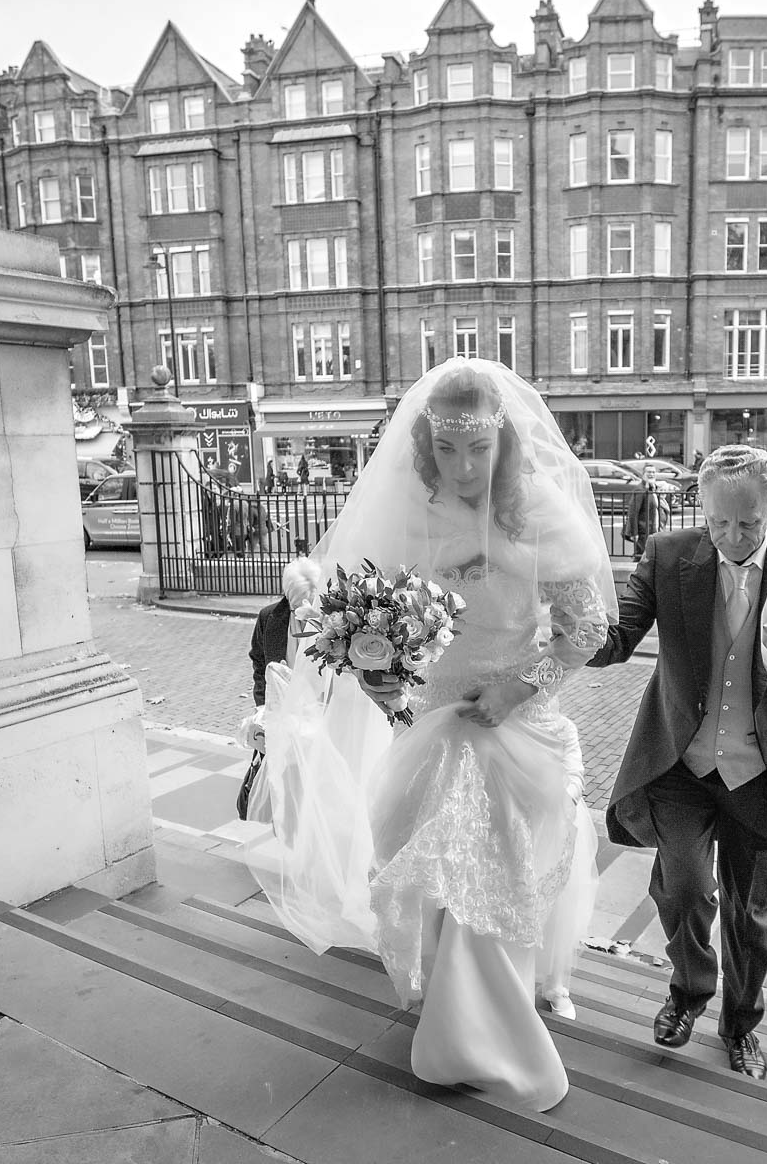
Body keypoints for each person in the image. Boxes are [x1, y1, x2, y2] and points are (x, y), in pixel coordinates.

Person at [248, 359, 615, 1111]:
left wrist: (519, 687)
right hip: (429, 725)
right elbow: (374, 630)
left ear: (504, 444)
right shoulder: (410, 514)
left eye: (478, 448)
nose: (464, 466)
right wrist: (382, 682)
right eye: (448, 450)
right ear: (426, 447)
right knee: (444, 882)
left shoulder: (538, 512)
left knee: (496, 879)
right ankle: (462, 1012)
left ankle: (481, 1030)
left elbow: (588, 627)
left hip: (514, 728)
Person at [587, 446, 767, 1081]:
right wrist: (568, 618)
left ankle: (741, 1023)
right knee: (681, 888)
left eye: (749, 523)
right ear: (700, 508)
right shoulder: (669, 556)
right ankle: (688, 990)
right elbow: (616, 640)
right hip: (683, 763)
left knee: (748, 912)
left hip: (762, 775)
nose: (733, 536)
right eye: (719, 522)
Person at [241, 558, 324, 753]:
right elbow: (259, 663)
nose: (305, 616)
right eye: (298, 609)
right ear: (287, 596)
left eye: (311, 606)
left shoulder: (333, 620)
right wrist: (263, 706)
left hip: (321, 716)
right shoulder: (268, 618)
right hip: (281, 716)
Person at [625, 479, 670, 561]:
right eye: (661, 490)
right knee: (643, 555)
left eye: (665, 490)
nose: (663, 492)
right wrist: (634, 532)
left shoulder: (663, 502)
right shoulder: (654, 500)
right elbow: (634, 512)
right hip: (647, 530)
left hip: (657, 531)